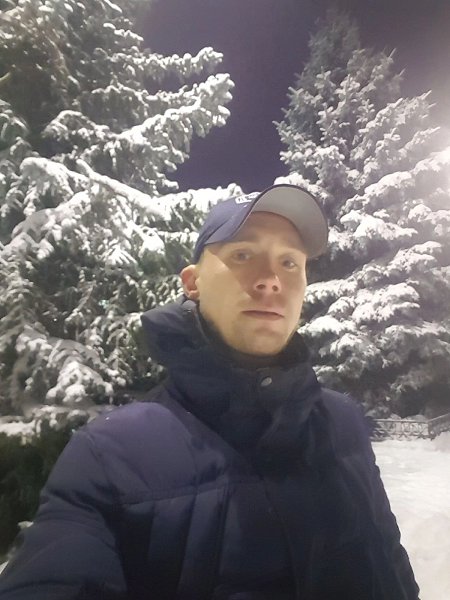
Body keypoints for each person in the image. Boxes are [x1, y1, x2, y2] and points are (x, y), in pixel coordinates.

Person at [0, 184, 420, 599]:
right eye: (243, 255)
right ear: (193, 282)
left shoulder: (342, 422)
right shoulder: (110, 454)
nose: (271, 280)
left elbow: (389, 563)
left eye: (290, 262)